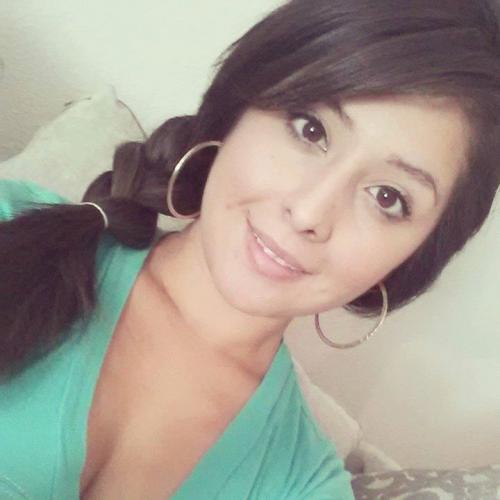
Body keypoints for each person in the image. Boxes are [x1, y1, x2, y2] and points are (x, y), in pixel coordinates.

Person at [1, 0, 500, 498]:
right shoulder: (13, 224)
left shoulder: (306, 485)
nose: (308, 213)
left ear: (416, 255)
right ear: (237, 108)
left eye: (387, 197)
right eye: (310, 130)